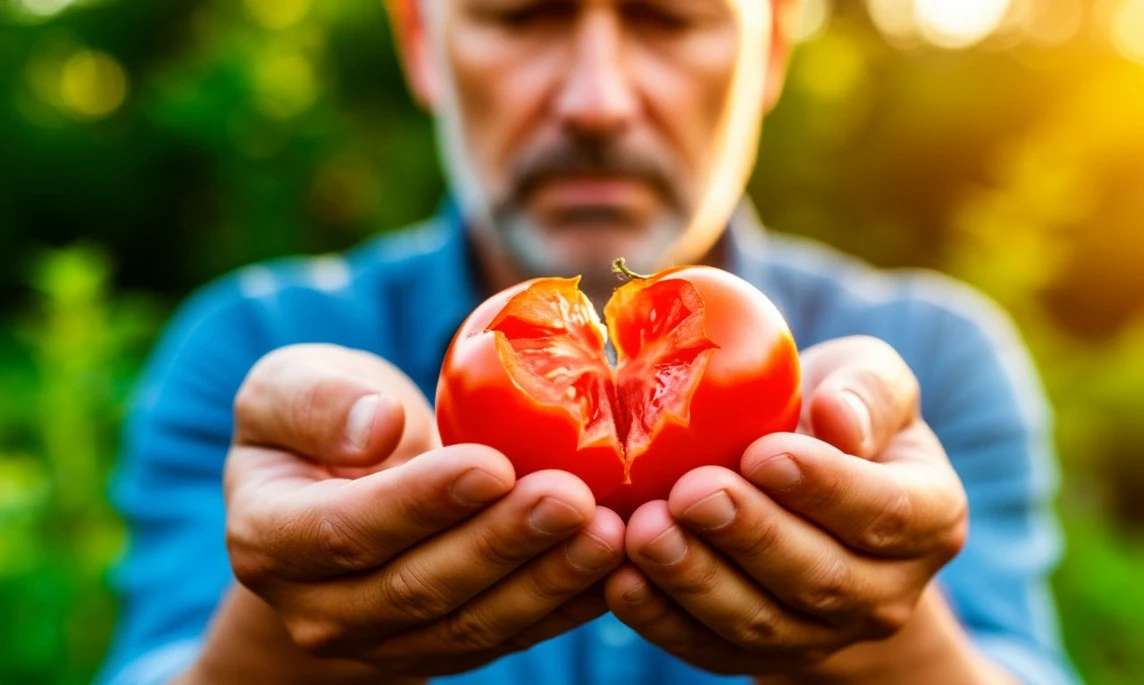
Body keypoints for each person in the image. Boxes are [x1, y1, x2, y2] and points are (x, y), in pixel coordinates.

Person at [98, 1, 1079, 683]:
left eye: (671, 16)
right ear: (423, 44)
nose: (598, 99)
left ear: (772, 45)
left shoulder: (938, 359)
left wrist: (882, 655)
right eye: (522, 15)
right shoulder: (248, 355)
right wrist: (280, 653)